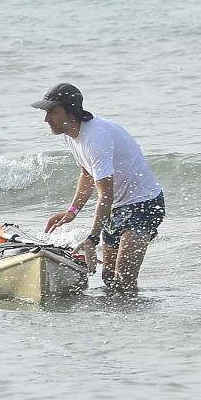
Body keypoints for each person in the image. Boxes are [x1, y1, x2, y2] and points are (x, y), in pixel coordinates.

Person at [32, 83, 165, 296]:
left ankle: (139, 325)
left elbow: (106, 194)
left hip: (144, 205)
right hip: (118, 208)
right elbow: (87, 175)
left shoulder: (96, 138)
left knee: (124, 280)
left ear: (71, 111)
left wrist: (92, 239)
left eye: (52, 111)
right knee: (110, 279)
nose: (46, 118)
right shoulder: (71, 135)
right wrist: (71, 212)